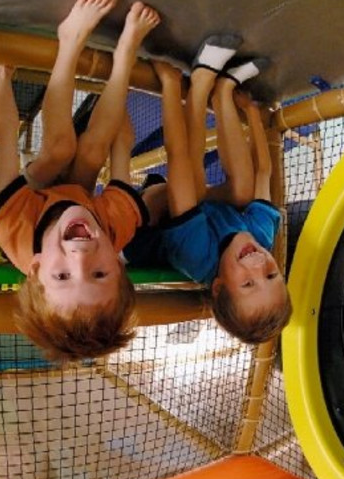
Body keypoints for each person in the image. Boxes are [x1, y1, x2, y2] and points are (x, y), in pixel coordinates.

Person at [0, 0, 160, 361]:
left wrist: (2, 75)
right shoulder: (116, 227)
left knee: (60, 149)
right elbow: (122, 146)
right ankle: (126, 51)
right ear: (117, 260)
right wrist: (119, 81)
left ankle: (70, 40)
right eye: (99, 274)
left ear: (35, 267)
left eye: (62, 277)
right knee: (95, 148)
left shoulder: (11, 226)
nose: (80, 258)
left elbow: (4, 134)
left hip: (33, 196)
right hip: (78, 197)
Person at [123, 39, 292, 344]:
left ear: (217, 286)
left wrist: (174, 87)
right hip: (200, 209)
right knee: (244, 191)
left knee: (195, 183)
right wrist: (252, 111)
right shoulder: (262, 236)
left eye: (248, 284)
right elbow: (264, 172)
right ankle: (223, 90)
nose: (259, 266)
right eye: (271, 276)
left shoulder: (196, 255)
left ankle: (202, 82)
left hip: (148, 218)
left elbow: (180, 160)